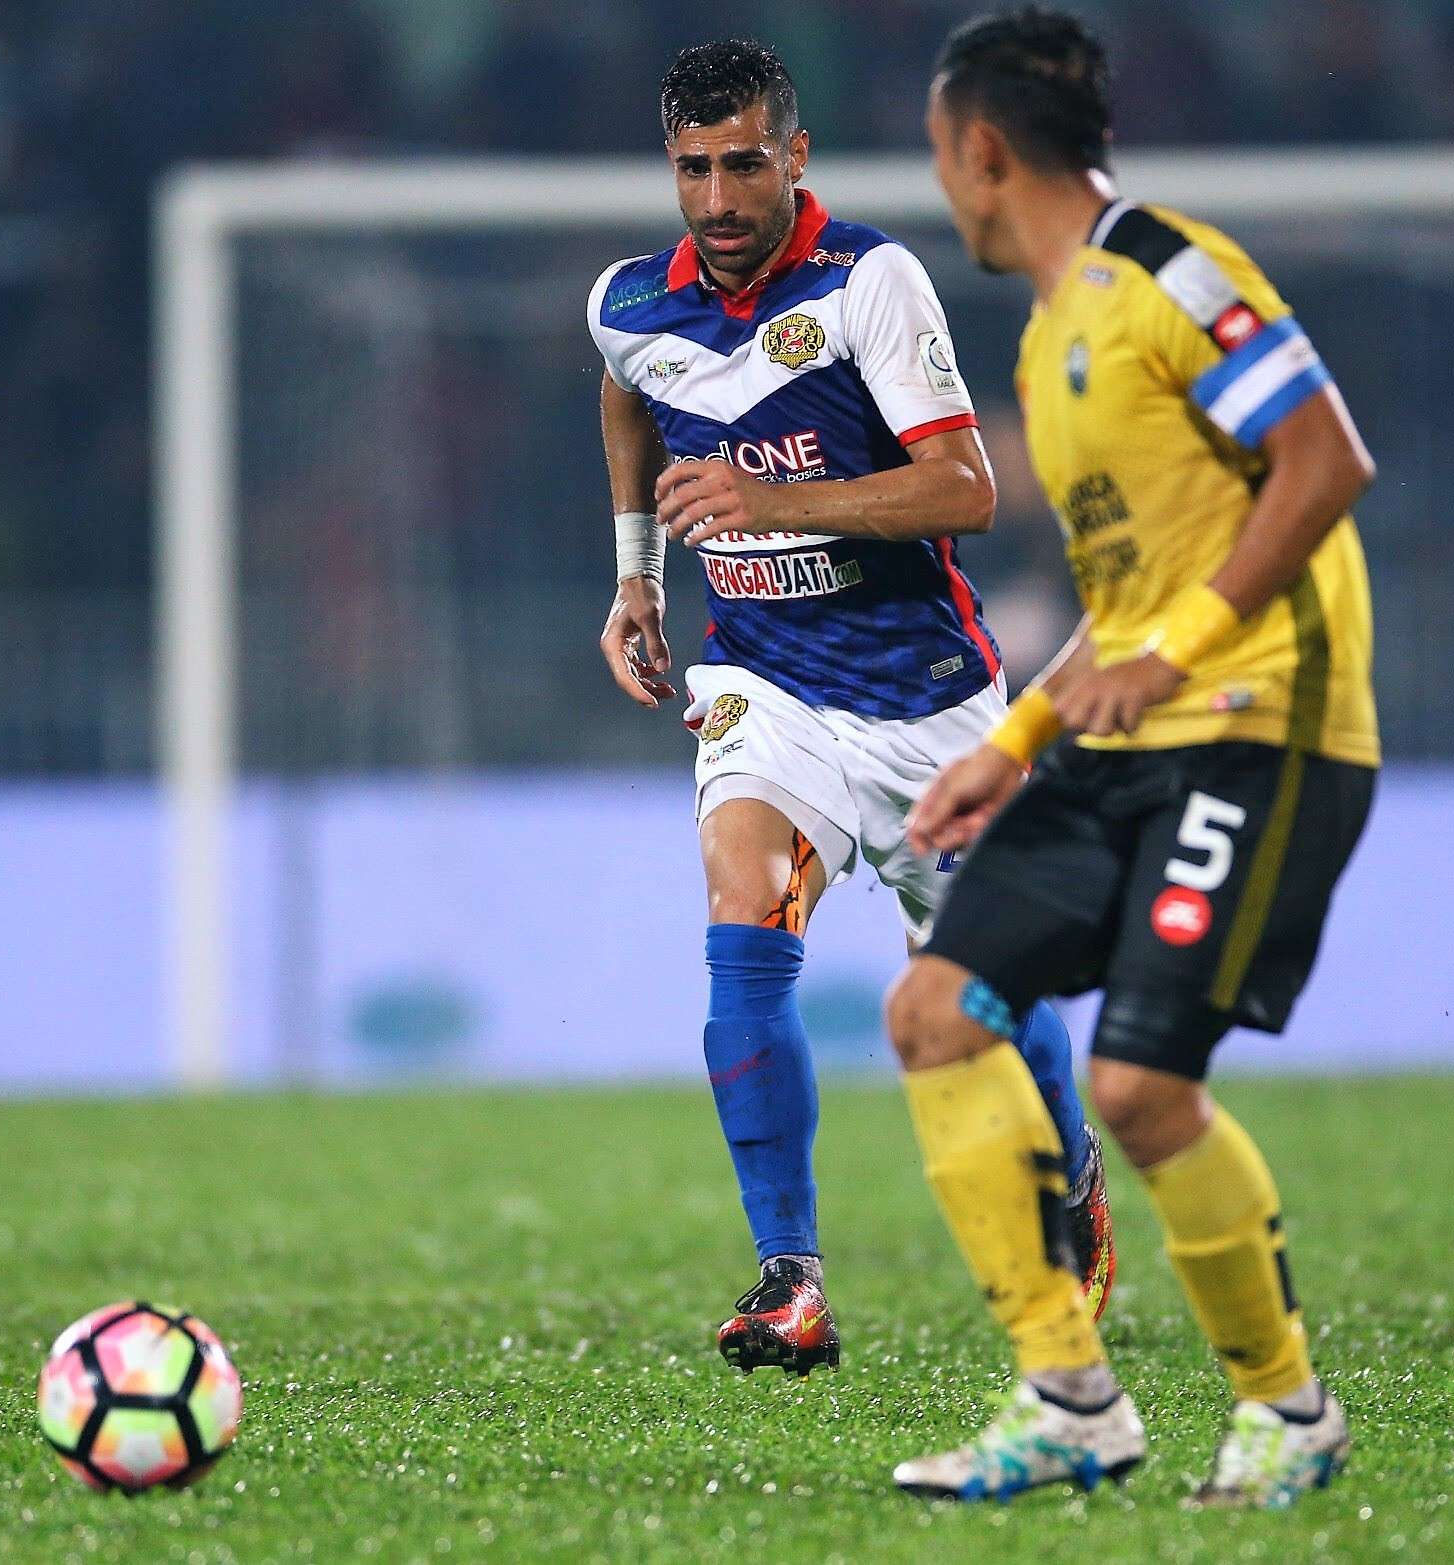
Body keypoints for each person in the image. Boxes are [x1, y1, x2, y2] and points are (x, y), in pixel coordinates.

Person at [886, 6, 1380, 1504]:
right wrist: (1019, 741)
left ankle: (1289, 1413)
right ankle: (1069, 1397)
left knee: (1141, 1089)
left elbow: (1325, 460)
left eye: (940, 154)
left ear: (982, 150)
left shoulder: (1170, 269)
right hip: (1123, 736)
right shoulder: (1050, 338)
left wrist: (1188, 643)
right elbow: (1126, 605)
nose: (947, 185)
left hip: (1258, 725)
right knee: (934, 1009)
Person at [584, 37, 1114, 1378]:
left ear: (795, 155)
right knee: (742, 912)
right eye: (695, 169)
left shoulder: (871, 281)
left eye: (745, 164)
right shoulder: (632, 303)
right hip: (764, 678)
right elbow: (626, 393)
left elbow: (967, 489)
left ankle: (1075, 1176)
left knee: (986, 985)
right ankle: (792, 1276)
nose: (718, 198)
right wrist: (637, 575)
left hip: (923, 692)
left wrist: (777, 503)